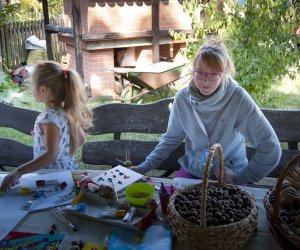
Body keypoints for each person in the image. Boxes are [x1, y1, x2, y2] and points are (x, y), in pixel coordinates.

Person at [130, 37, 281, 185]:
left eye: (214, 73)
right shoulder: (182, 99)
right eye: (200, 72)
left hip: (229, 173)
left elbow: (271, 147)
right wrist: (143, 167)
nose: (205, 80)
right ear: (193, 71)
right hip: (194, 170)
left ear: (223, 74)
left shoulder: (238, 98)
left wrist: (240, 178)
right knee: (172, 204)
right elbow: (170, 139)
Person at [0, 61, 93, 192]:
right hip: (68, 172)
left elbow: (51, 155)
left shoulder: (48, 118)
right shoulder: (67, 111)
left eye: (32, 85)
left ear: (43, 89)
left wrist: (18, 171)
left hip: (52, 178)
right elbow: (81, 139)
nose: (31, 89)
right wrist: (52, 143)